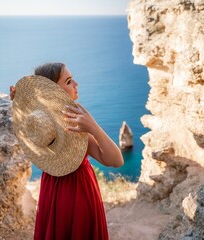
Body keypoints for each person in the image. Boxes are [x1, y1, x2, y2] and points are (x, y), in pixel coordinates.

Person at [10, 62, 124, 239]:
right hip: (78, 190)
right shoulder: (73, 126)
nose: (76, 84)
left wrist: (20, 100)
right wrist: (93, 126)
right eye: (69, 81)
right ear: (54, 92)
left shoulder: (37, 119)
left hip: (50, 189)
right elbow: (116, 161)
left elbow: (25, 115)